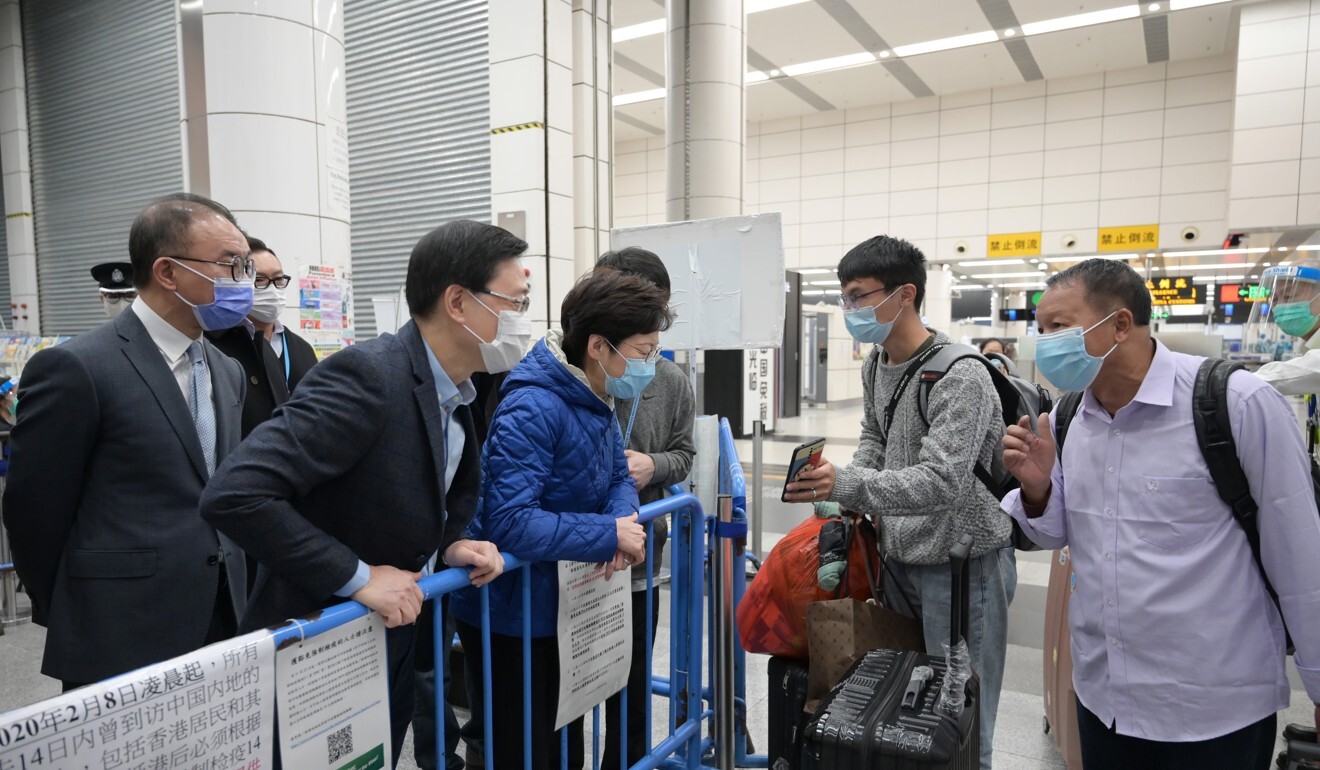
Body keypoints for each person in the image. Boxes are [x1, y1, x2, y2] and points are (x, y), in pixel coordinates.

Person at [200, 219, 520, 767]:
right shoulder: (371, 375)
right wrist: (360, 576)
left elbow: (417, 489)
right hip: (316, 647)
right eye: (515, 302)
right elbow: (236, 493)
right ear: (459, 303)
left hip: (383, 646)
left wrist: (451, 543)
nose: (522, 320)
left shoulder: (462, 389)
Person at [1001, 258, 1320, 769]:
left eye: (1059, 327)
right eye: (1041, 330)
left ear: (1120, 324)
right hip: (1103, 699)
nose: (1045, 344)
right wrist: (1037, 489)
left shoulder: (1233, 404)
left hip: (1213, 709)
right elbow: (1059, 533)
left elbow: (1302, 557)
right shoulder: (1067, 419)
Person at [783, 235, 1016, 770]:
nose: (850, 311)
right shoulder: (877, 363)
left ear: (904, 294)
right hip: (901, 560)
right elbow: (875, 437)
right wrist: (841, 483)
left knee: (963, 713)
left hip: (964, 568)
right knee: (907, 705)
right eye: (845, 298)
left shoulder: (961, 375)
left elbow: (941, 484)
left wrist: (847, 484)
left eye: (859, 296)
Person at [2, 192, 251, 689]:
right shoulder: (79, 367)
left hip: (224, 611)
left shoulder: (227, 370)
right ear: (167, 272)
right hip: (120, 627)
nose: (242, 283)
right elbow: (34, 512)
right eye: (231, 266)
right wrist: (78, 608)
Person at [450, 270, 668, 770]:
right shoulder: (533, 404)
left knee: (563, 739)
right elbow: (511, 522)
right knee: (526, 748)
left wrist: (620, 526)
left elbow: (618, 475)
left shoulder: (595, 395)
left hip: (562, 602)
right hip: (512, 614)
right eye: (643, 351)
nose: (650, 364)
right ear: (598, 345)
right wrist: (605, 534)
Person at [593, 247, 696, 768]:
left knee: (629, 688)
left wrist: (652, 465)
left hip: (637, 564)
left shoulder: (671, 382)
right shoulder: (571, 370)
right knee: (567, 691)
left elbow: (685, 454)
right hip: (574, 561)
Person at [207, 236, 317, 438]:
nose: (273, 289)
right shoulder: (215, 347)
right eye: (259, 280)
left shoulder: (302, 349)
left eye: (278, 279)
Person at [1252, 259, 1320, 395]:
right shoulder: (1305, 347)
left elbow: (1297, 373)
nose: (1280, 306)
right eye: (1275, 299)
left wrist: (1233, 380)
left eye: (1289, 296)